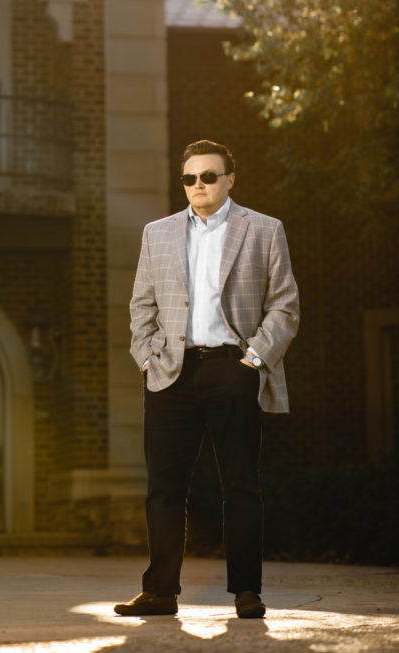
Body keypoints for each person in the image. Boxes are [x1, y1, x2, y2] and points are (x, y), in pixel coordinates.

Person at [115, 139, 299, 620]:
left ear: (229, 179)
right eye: (190, 178)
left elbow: (284, 305)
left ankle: (246, 591)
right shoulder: (157, 233)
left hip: (232, 367)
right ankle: (159, 592)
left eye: (208, 177)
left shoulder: (263, 230)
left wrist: (254, 360)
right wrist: (146, 358)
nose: (198, 185)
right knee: (164, 486)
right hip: (170, 371)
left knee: (239, 484)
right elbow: (141, 306)